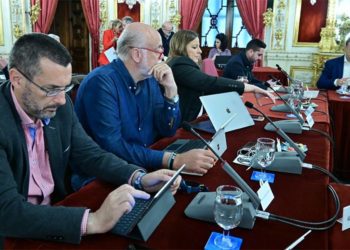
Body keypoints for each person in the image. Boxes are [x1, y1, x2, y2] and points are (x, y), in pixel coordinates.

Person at [0, 33, 181, 246]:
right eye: (51, 90)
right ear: (16, 79)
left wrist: (138, 177)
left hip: (57, 216)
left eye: (65, 88)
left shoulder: (60, 105)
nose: (61, 100)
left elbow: (89, 154)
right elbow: (7, 212)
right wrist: (93, 221)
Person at [74, 23, 216, 190]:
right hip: (104, 179)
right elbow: (113, 147)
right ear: (137, 54)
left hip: (145, 164)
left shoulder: (149, 79)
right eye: (158, 51)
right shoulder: (101, 83)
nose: (162, 57)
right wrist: (173, 160)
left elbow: (168, 129)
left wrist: (171, 91)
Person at [167, 30, 275, 123]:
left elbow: (207, 88)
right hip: (182, 124)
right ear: (180, 48)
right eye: (194, 47)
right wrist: (251, 88)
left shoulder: (183, 64)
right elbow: (209, 83)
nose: (200, 51)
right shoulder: (179, 65)